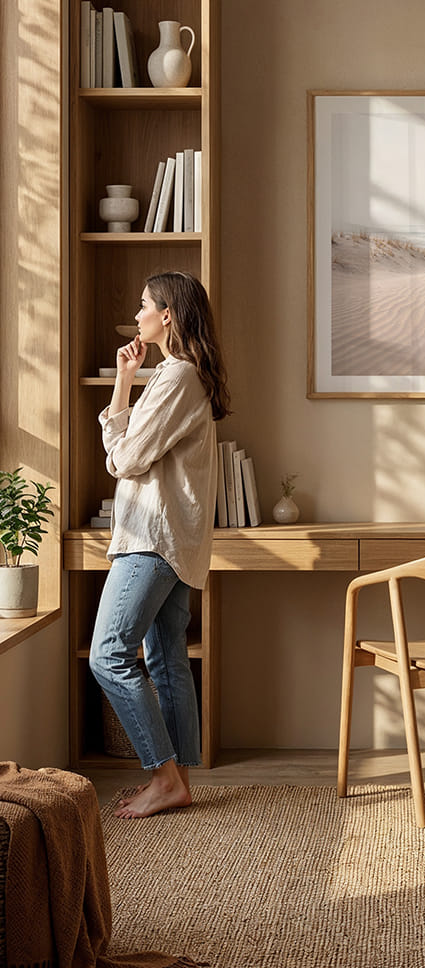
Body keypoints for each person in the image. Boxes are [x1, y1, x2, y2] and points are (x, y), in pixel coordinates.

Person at [89, 272, 230, 818]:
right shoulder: (177, 376)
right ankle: (180, 779)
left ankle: (164, 777)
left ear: (167, 315)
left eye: (144, 305)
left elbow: (124, 459)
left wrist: (124, 419)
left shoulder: (176, 378)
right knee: (166, 656)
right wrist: (125, 379)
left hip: (152, 538)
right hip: (173, 540)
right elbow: (127, 450)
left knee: (109, 655)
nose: (137, 312)